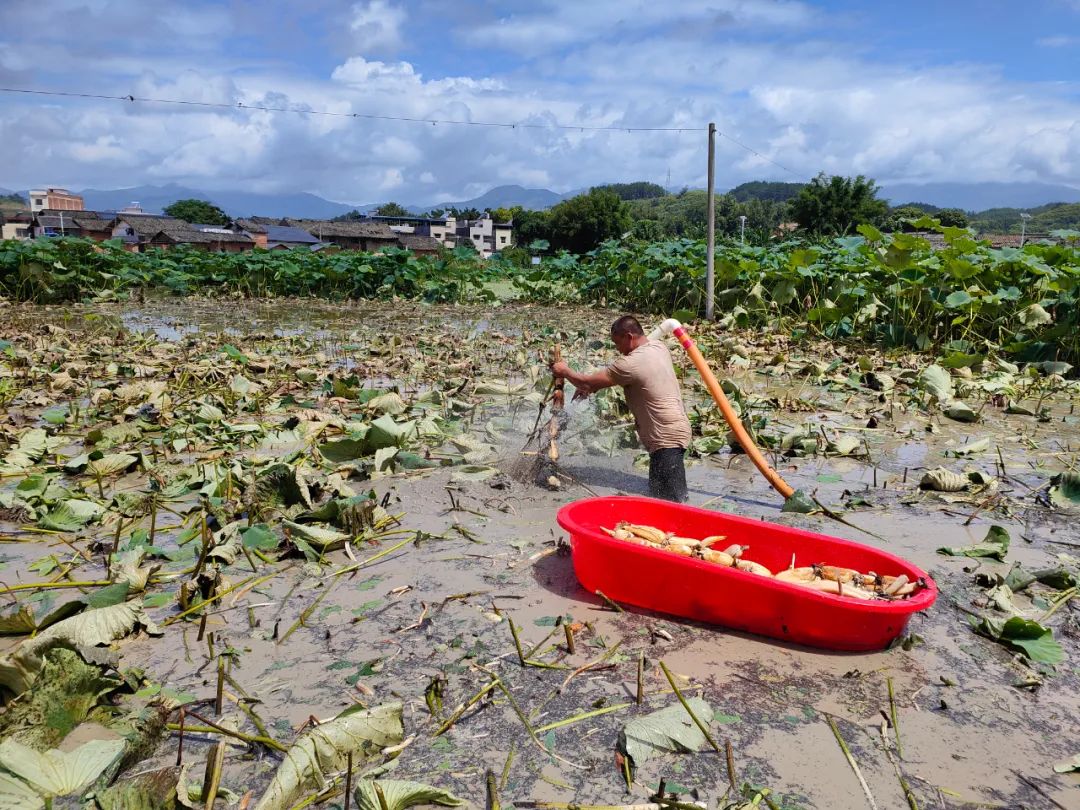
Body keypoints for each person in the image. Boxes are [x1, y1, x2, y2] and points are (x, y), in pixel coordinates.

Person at [550, 315, 691, 502]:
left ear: (629, 337)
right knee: (658, 496)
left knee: (675, 501)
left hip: (666, 438)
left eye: (618, 343)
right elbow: (629, 376)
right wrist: (593, 385)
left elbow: (586, 383)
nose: (617, 349)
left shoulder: (629, 364)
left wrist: (565, 371)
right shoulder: (658, 347)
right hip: (671, 433)